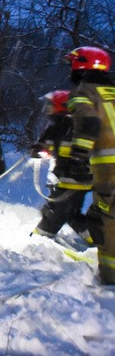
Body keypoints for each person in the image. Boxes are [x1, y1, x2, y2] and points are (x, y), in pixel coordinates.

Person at [63, 46, 115, 285]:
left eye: (72, 65)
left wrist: (79, 156)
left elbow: (90, 122)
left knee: (107, 221)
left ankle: (111, 279)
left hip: (109, 171)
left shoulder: (84, 92)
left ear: (81, 65)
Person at [30, 90, 93, 246]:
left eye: (51, 105)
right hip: (83, 182)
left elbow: (44, 146)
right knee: (71, 213)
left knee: (55, 213)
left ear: (61, 107)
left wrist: (38, 150)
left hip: (67, 182)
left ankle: (39, 241)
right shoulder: (84, 126)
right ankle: (95, 238)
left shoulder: (58, 127)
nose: (48, 109)